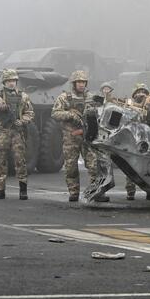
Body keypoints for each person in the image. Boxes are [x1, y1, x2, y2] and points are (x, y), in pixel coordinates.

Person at [51, 70, 108, 203]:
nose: (81, 85)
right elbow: (55, 113)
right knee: (71, 167)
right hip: (71, 137)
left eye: (83, 82)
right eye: (79, 82)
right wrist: (70, 115)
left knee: (94, 165)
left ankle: (97, 192)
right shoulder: (65, 97)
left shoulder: (91, 97)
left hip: (88, 137)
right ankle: (74, 192)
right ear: (74, 83)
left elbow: (104, 110)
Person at [0, 69, 35, 200]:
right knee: (0, 160)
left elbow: (30, 113)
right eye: (9, 81)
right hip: (2, 131)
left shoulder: (23, 96)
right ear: (4, 82)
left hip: (17, 131)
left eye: (13, 81)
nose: (11, 83)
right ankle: (0, 190)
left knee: (20, 160)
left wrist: (22, 121)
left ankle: (23, 189)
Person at [128, 83, 150, 201]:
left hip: (148, 141)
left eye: (144, 92)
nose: (141, 94)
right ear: (134, 94)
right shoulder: (128, 106)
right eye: (139, 92)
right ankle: (130, 192)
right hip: (134, 140)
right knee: (131, 166)